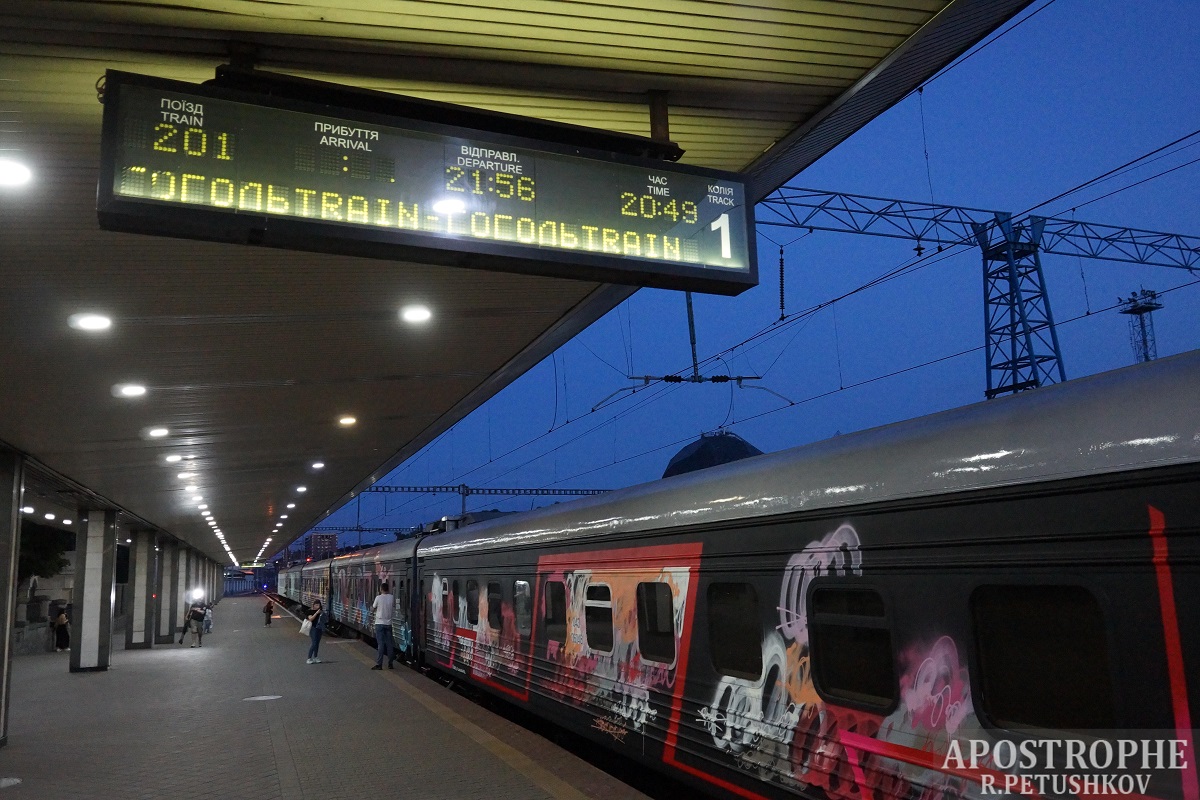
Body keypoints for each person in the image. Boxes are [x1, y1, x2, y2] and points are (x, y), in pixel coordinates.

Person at [370, 581, 396, 670]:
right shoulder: (392, 597)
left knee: (380, 644)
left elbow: (373, 608)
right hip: (388, 624)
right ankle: (390, 664)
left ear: (381, 589)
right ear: (388, 589)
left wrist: (372, 610)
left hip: (379, 623)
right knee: (389, 644)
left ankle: (379, 664)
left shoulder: (378, 598)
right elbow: (394, 607)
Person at [305, 599, 325, 664]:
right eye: (316, 605)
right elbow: (311, 619)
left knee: (317, 643)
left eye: (318, 605)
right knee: (314, 643)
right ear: (313, 605)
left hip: (319, 628)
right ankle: (309, 658)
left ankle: (315, 657)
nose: (317, 606)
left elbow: (324, 620)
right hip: (313, 628)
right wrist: (316, 613)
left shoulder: (321, 612)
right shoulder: (309, 611)